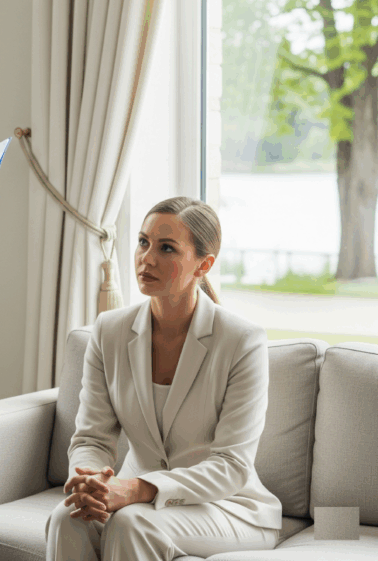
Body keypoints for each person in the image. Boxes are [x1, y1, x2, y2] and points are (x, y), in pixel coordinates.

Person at [46, 196, 282, 561]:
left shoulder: (241, 341)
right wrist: (91, 480)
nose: (147, 258)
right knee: (68, 517)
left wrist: (139, 489)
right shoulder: (109, 330)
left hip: (226, 505)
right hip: (134, 498)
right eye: (143, 242)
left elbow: (232, 466)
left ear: (204, 264)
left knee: (131, 524)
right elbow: (92, 436)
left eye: (167, 248)